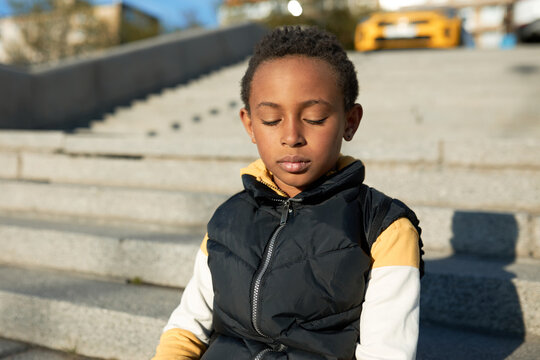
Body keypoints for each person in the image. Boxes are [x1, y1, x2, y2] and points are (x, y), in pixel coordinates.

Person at [152, 25, 423, 360]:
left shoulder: (383, 228)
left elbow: (387, 353)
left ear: (350, 121)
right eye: (270, 120)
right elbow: (188, 325)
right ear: (249, 125)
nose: (292, 136)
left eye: (315, 117)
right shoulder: (228, 219)